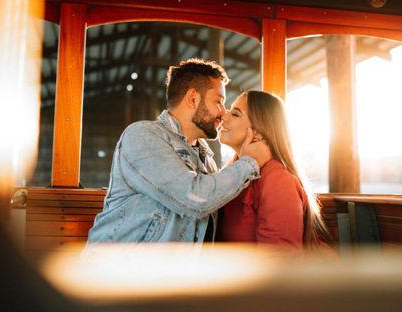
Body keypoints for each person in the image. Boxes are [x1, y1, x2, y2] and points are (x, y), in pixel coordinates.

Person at [86, 58, 271, 244]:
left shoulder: (205, 159)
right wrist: (250, 162)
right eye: (219, 102)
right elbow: (196, 198)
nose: (224, 113)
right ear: (193, 98)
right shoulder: (143, 136)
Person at [218, 90, 329, 249]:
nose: (223, 116)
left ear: (258, 132)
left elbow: (279, 260)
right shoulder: (232, 170)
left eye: (235, 114)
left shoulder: (277, 180)